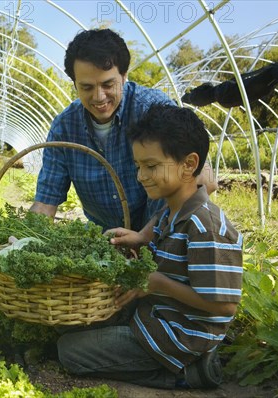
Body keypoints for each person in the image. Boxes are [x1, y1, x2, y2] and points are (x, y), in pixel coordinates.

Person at [56, 104, 243, 389]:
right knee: (67, 322)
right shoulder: (173, 211)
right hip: (156, 314)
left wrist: (157, 282)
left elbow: (225, 306)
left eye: (151, 166)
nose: (141, 176)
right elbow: (158, 226)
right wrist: (142, 237)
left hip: (178, 336)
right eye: (138, 166)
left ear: (189, 164)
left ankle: (189, 374)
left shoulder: (207, 228)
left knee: (69, 351)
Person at [30, 28, 217, 232]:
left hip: (163, 236)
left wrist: (145, 236)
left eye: (108, 84)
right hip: (107, 243)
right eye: (87, 87)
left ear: (124, 76)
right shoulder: (65, 128)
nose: (99, 97)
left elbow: (203, 180)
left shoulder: (152, 109)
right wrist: (25, 241)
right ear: (75, 84)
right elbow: (45, 202)